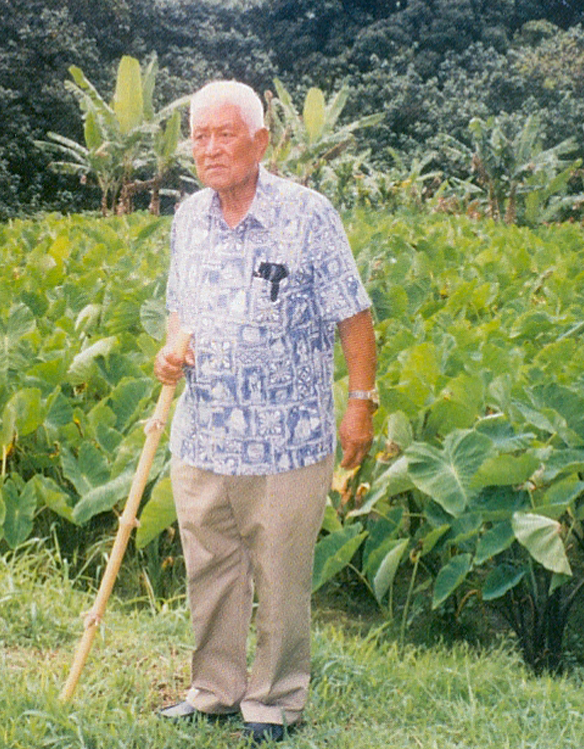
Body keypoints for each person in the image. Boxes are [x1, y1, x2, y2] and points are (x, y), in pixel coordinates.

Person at [153, 79, 378, 744]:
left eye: (226, 135)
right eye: (199, 136)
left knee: (280, 576)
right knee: (211, 567)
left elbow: (355, 319)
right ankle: (214, 689)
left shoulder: (308, 215)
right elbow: (178, 310)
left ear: (260, 141)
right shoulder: (188, 217)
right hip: (203, 434)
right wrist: (169, 352)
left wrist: (359, 405)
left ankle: (275, 701)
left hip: (287, 440)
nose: (211, 148)